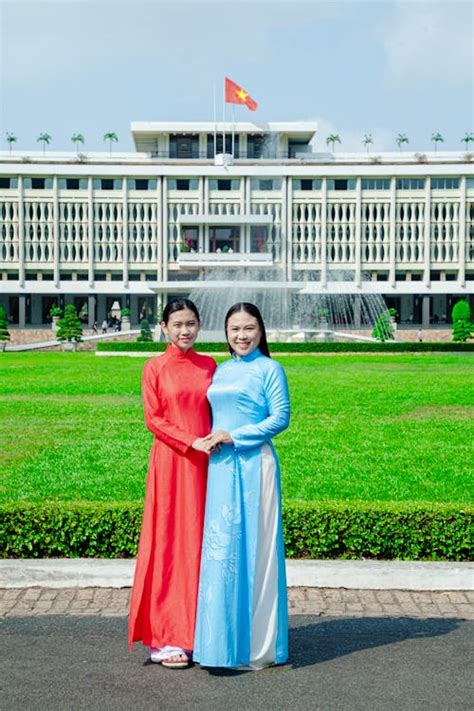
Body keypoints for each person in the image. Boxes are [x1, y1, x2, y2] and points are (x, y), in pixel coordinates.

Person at [193, 302, 290, 670]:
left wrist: (235, 436)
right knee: (222, 553)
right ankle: (218, 644)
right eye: (234, 329)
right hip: (220, 466)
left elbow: (280, 418)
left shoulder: (271, 369)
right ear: (226, 333)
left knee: (257, 549)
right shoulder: (220, 370)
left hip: (255, 465)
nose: (242, 336)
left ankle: (257, 647)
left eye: (249, 328)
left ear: (261, 331)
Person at [128, 298, 216, 669]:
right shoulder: (154, 367)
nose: (185, 330)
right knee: (168, 544)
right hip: (171, 462)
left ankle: (203, 632)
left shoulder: (210, 365)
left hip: (207, 465)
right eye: (177, 324)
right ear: (164, 327)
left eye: (191, 324)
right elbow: (154, 419)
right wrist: (189, 441)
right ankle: (166, 637)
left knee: (200, 544)